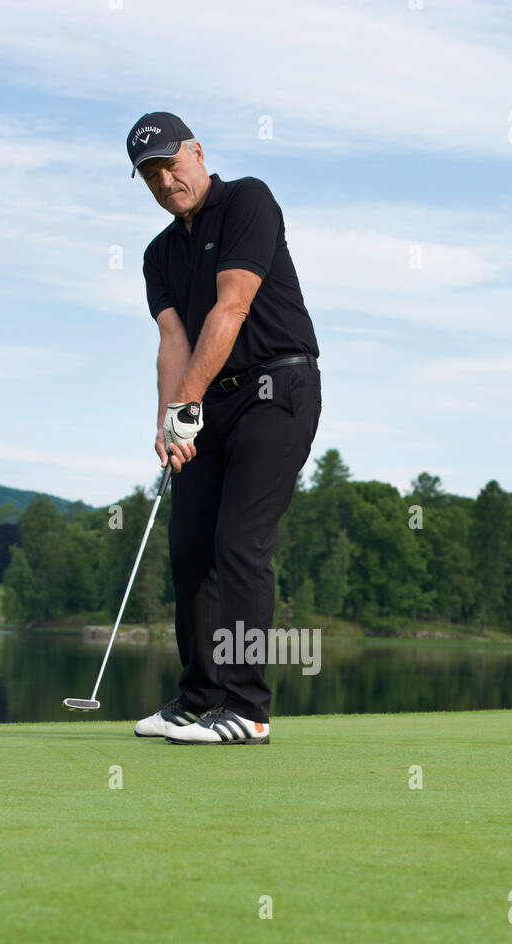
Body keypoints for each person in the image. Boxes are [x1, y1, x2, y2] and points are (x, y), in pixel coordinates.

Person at [126, 112, 321, 746]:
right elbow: (173, 339)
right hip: (210, 402)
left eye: (170, 163)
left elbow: (232, 307)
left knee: (239, 540)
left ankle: (246, 708)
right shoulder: (159, 253)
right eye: (149, 173)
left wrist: (186, 404)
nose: (164, 179)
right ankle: (198, 699)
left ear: (196, 151)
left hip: (277, 388)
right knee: (189, 548)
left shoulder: (248, 200)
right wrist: (169, 421)